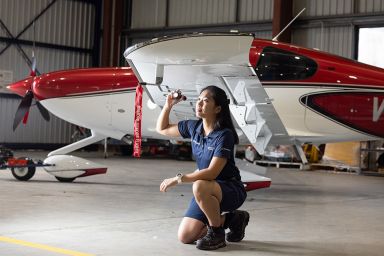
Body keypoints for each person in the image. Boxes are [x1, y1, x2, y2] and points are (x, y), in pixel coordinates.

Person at [156, 85, 249, 250]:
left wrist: (178, 179)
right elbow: (162, 129)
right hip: (206, 192)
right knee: (185, 236)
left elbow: (212, 172)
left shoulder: (224, 135)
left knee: (199, 184)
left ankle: (217, 234)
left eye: (205, 101)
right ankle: (232, 219)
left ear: (218, 108)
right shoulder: (194, 127)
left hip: (229, 189)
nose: (199, 103)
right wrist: (168, 104)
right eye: (198, 100)